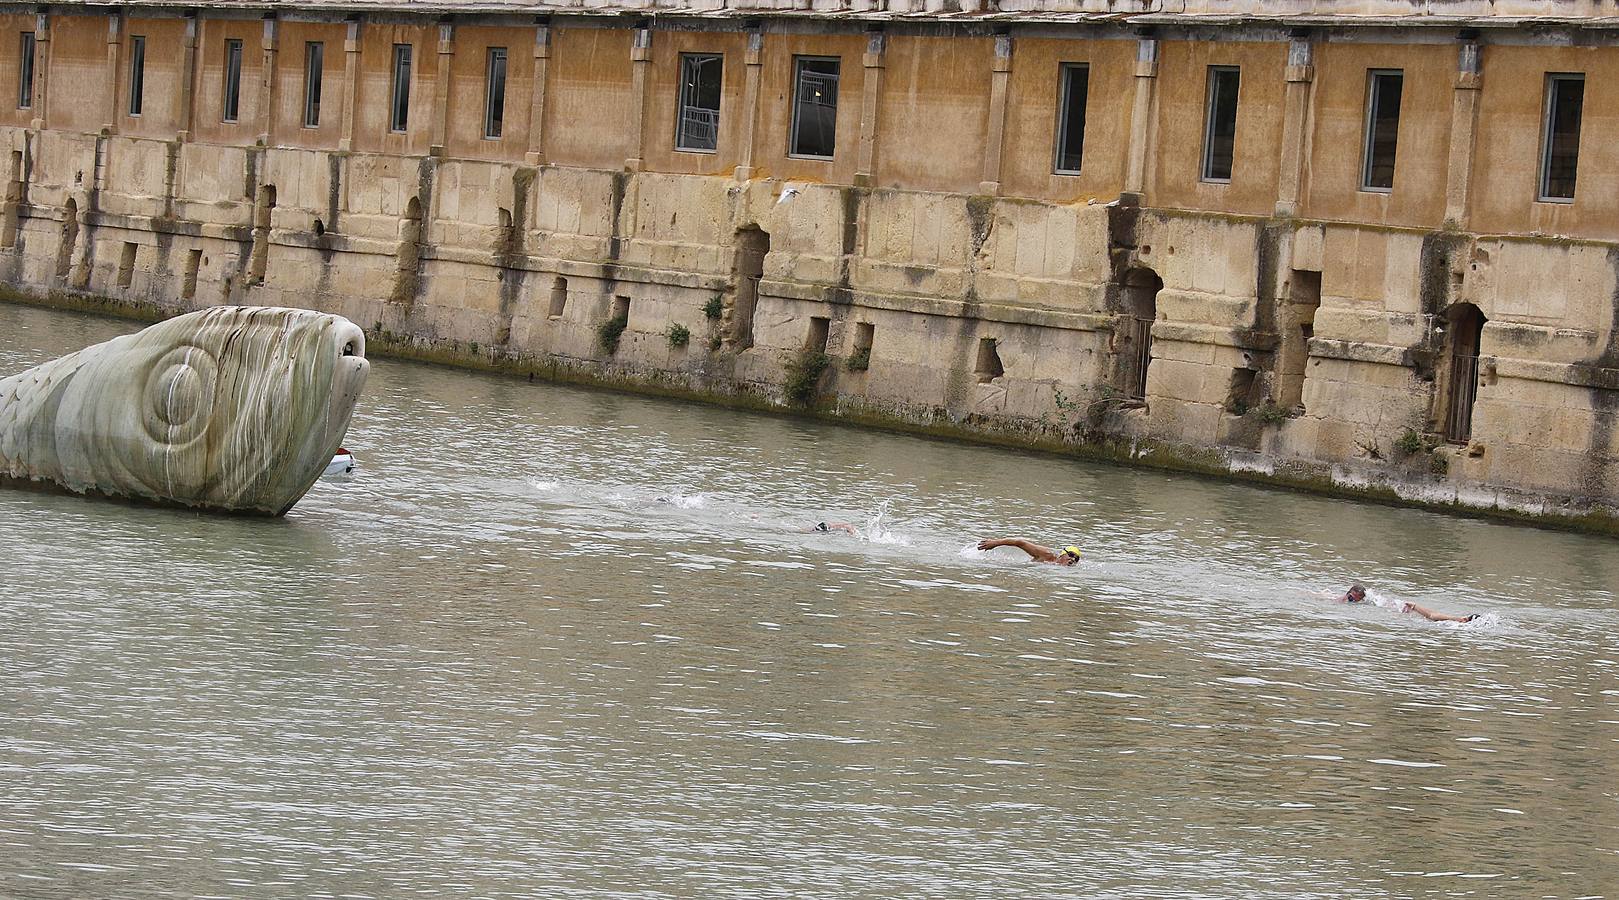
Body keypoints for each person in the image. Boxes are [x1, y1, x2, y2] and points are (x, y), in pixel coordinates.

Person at [1338, 583, 1478, 623]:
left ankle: (1460, 619)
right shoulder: (1368, 599)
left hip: (1405, 606)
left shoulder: (1371, 599)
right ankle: (1459, 618)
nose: (1352, 601)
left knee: (1432, 616)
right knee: (1432, 616)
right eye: (1351, 599)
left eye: (1352, 598)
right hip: (1403, 607)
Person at [976, 538, 1081, 566]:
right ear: (1063, 554)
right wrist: (995, 543)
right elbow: (1020, 543)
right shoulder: (1046, 555)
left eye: (1076, 558)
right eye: (1071, 555)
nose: (1072, 559)